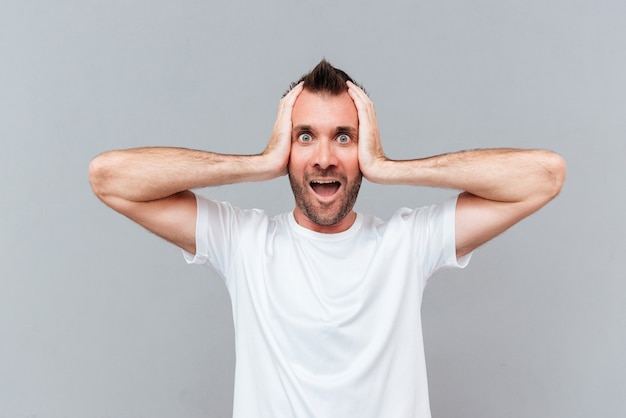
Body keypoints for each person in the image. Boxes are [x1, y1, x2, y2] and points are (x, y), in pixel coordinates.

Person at [88, 59, 566, 418]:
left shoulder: (406, 244)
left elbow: (543, 175)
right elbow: (110, 177)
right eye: (304, 137)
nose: (323, 158)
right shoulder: (243, 242)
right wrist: (257, 163)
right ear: (285, 148)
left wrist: (389, 168)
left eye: (343, 137)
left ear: (364, 148)